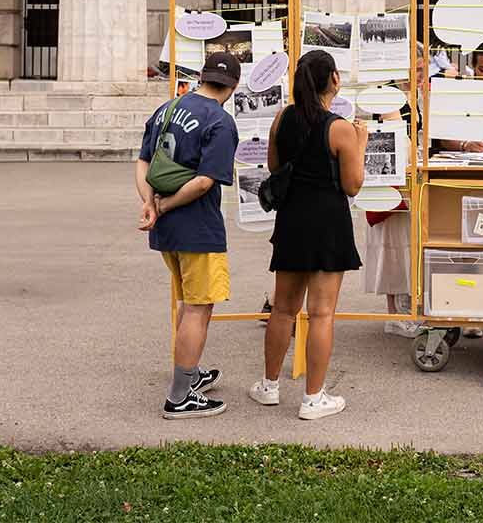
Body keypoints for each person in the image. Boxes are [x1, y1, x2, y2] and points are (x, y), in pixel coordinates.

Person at [252, 49, 367, 421]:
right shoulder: (340, 128)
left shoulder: (282, 117)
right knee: (321, 313)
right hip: (328, 222)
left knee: (283, 308)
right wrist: (360, 146)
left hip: (291, 219)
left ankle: (269, 386)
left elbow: (274, 166)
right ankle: (313, 397)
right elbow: (352, 185)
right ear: (333, 79)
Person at [135, 50, 242, 420]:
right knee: (199, 306)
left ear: (202, 77)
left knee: (187, 301)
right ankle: (180, 395)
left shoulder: (168, 108)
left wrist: (150, 204)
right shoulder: (220, 121)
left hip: (167, 230)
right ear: (234, 86)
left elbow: (143, 161)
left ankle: (190, 372)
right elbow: (203, 183)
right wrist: (163, 207)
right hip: (197, 226)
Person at [366, 46, 427, 338]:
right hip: (390, 176)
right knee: (392, 243)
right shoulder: (389, 96)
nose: (418, 76)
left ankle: (407, 307)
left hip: (408, 173)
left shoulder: (414, 98)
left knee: (407, 243)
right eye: (414, 70)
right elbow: (395, 134)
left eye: (421, 70)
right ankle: (394, 313)